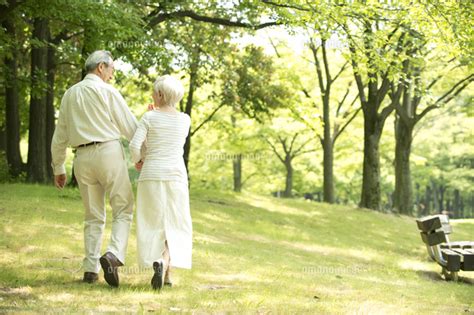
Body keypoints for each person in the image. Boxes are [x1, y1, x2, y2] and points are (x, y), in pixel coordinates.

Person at [51, 50, 137, 287]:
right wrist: (143, 155)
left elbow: (60, 135)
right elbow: (130, 127)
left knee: (93, 216)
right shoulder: (107, 91)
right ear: (101, 67)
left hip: (82, 158)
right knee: (123, 208)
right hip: (108, 152)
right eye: (112, 69)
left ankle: (90, 270)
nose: (113, 74)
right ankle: (113, 254)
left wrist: (59, 167)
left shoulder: (69, 94)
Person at [129, 75, 192, 290]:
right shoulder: (185, 119)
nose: (152, 95)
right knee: (175, 223)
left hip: (151, 175)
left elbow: (134, 146)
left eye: (155, 92)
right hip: (176, 176)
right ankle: (165, 265)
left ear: (161, 94)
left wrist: (139, 160)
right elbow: (169, 140)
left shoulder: (149, 117)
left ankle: (164, 267)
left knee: (153, 222)